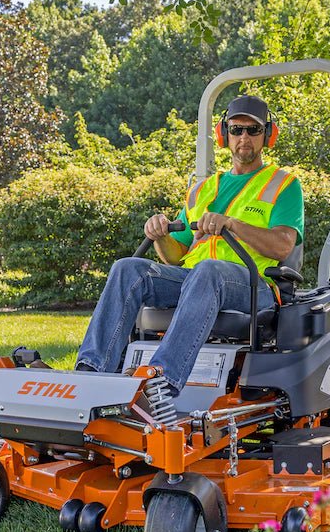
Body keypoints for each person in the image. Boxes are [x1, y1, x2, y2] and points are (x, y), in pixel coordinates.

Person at [74, 94, 305, 410]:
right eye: (237, 130)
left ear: (268, 135)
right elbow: (175, 254)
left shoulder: (283, 185)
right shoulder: (203, 188)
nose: (244, 138)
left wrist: (233, 224)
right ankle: (90, 374)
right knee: (128, 268)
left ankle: (161, 382)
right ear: (224, 135)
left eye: (253, 130)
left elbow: (283, 245)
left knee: (208, 270)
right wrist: (158, 234)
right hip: (197, 280)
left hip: (254, 287)